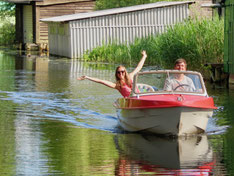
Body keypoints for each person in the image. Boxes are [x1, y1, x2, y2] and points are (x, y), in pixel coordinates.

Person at [77, 50, 147, 97]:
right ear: (116, 74)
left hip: (139, 96)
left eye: (122, 72)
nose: (121, 74)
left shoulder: (131, 76)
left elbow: (139, 67)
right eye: (118, 72)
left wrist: (144, 56)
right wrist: (87, 77)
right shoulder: (117, 85)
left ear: (125, 72)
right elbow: (101, 81)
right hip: (131, 101)